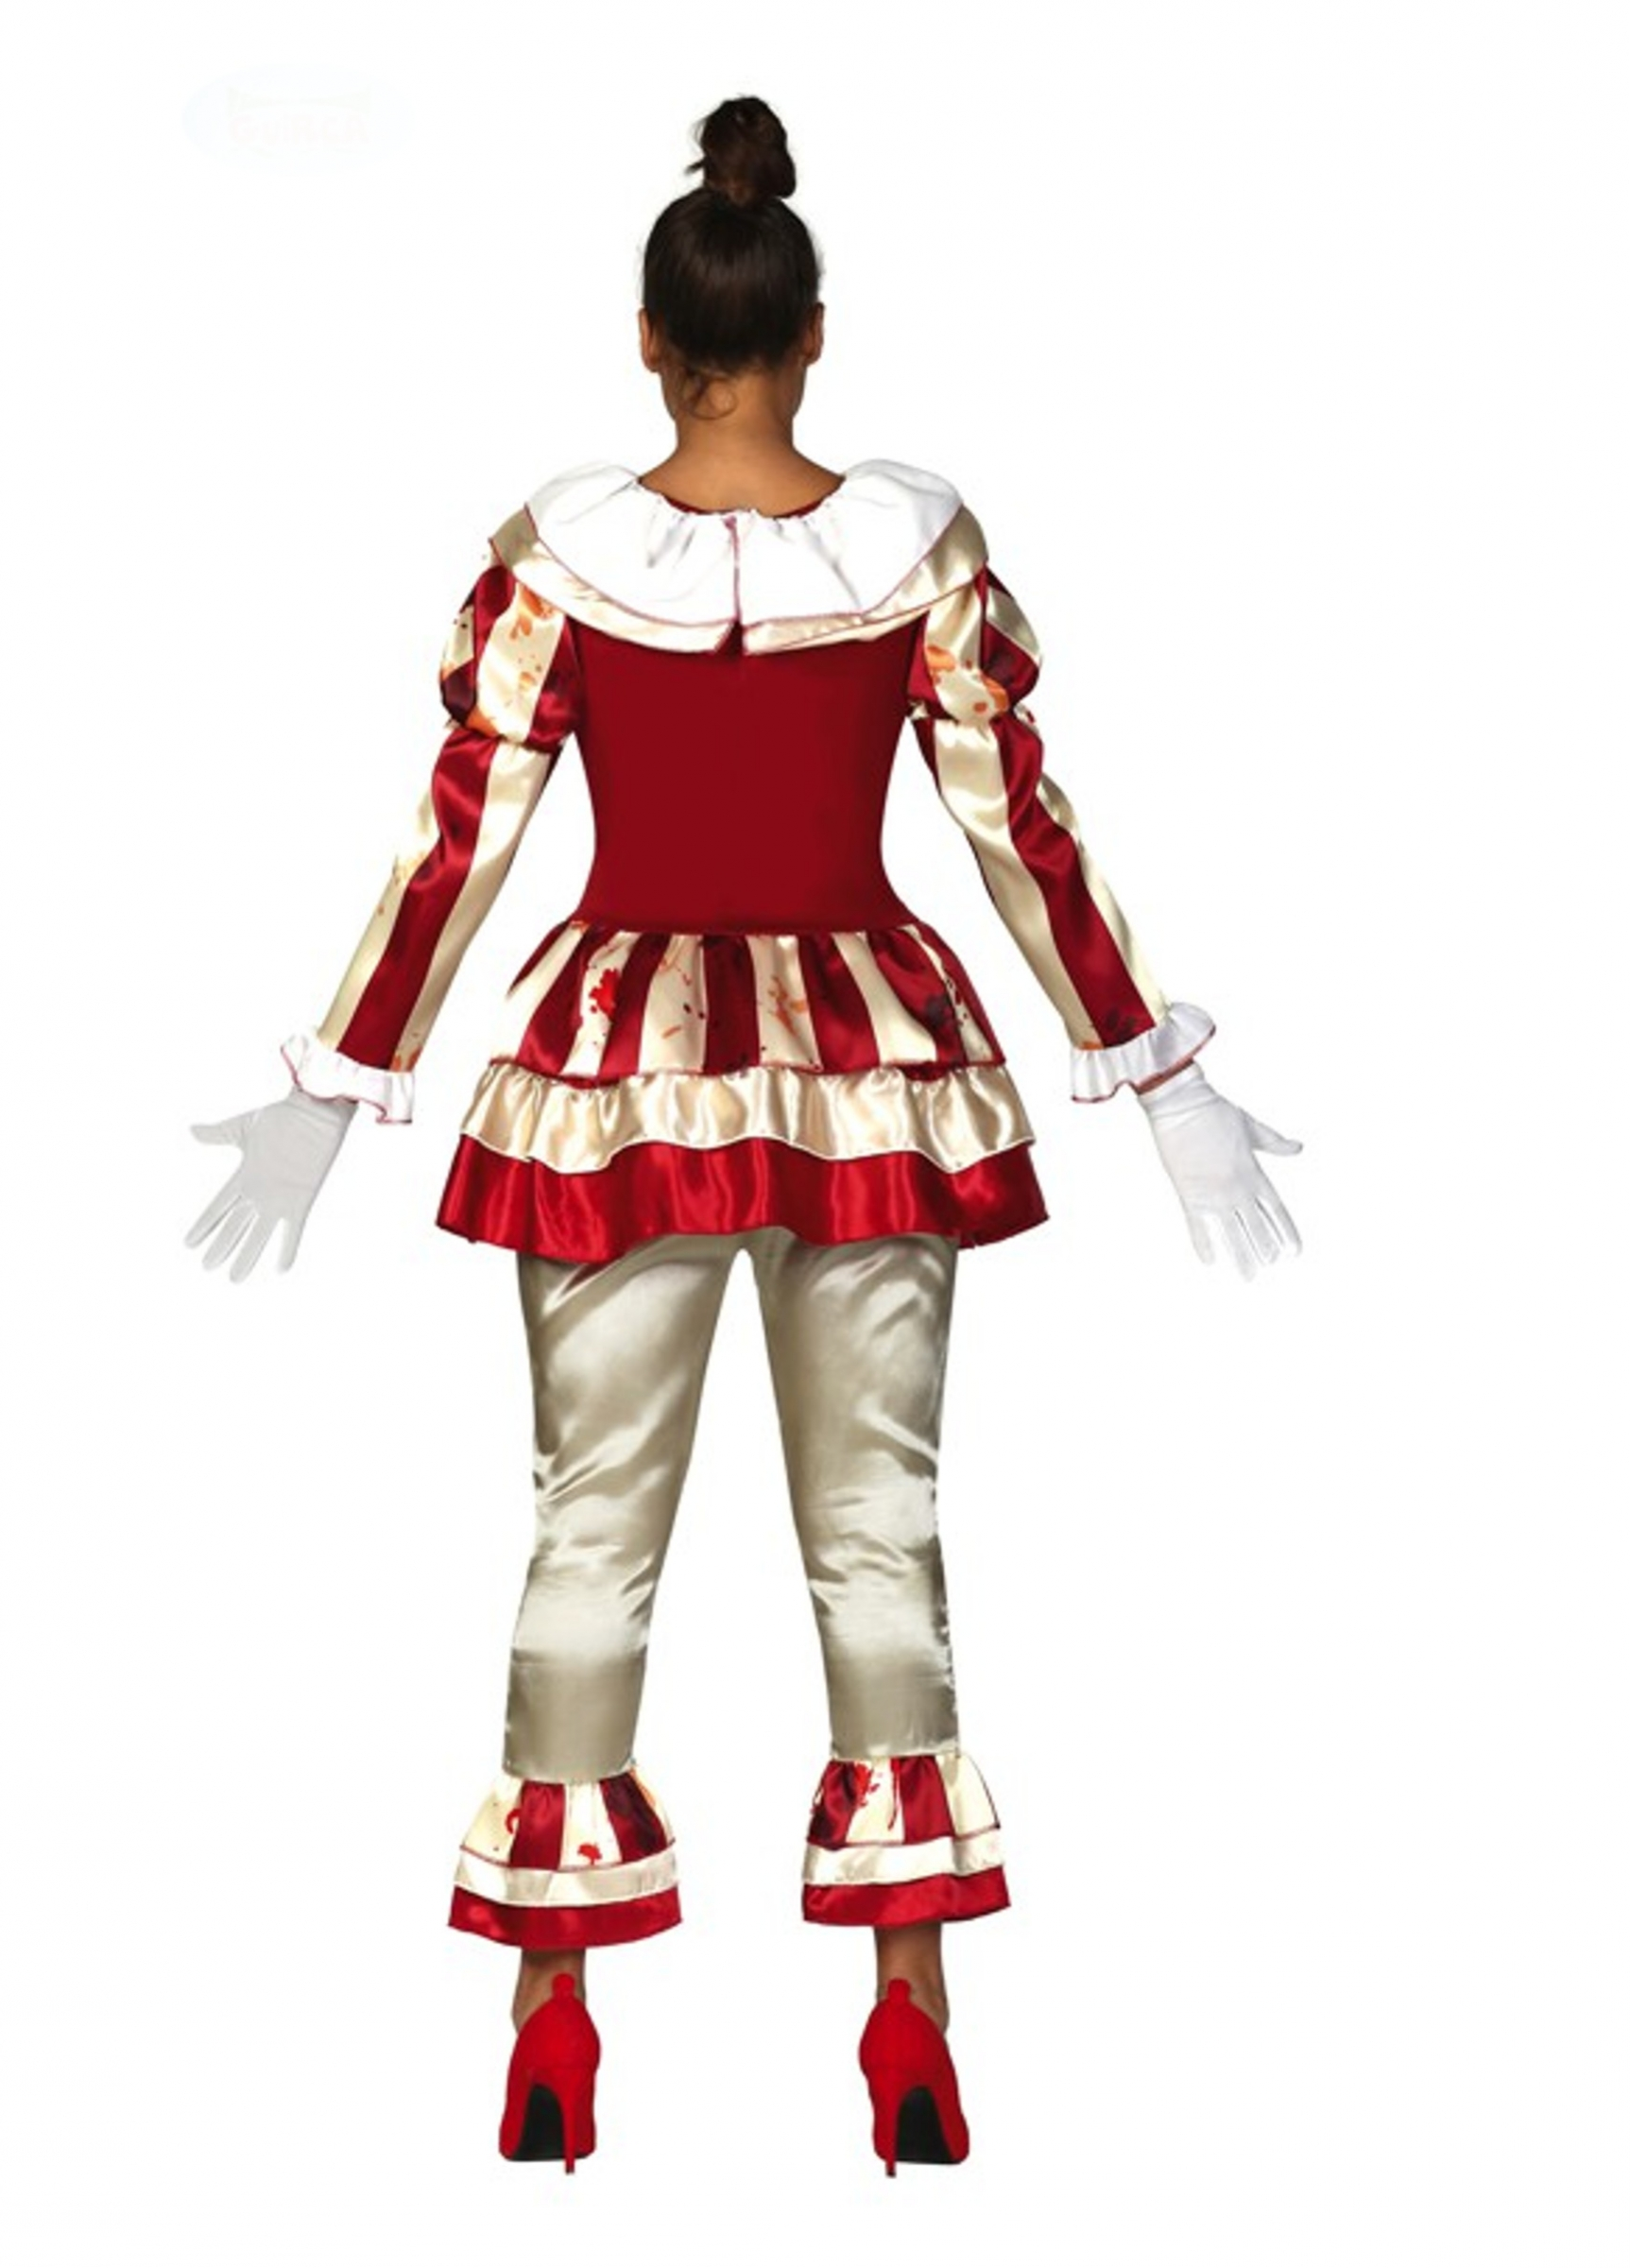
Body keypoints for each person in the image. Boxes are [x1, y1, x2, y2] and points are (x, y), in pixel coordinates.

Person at [186, 94, 1302, 2174]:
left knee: (589, 1526)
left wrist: (335, 1084)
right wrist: (1158, 1076)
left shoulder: (558, 565)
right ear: (814, 334)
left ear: (648, 339)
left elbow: (465, 837)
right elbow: (1017, 828)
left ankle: (551, 2015)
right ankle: (910, 2011)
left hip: (617, 1072)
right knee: (879, 1526)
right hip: (873, 1060)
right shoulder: (916, 554)